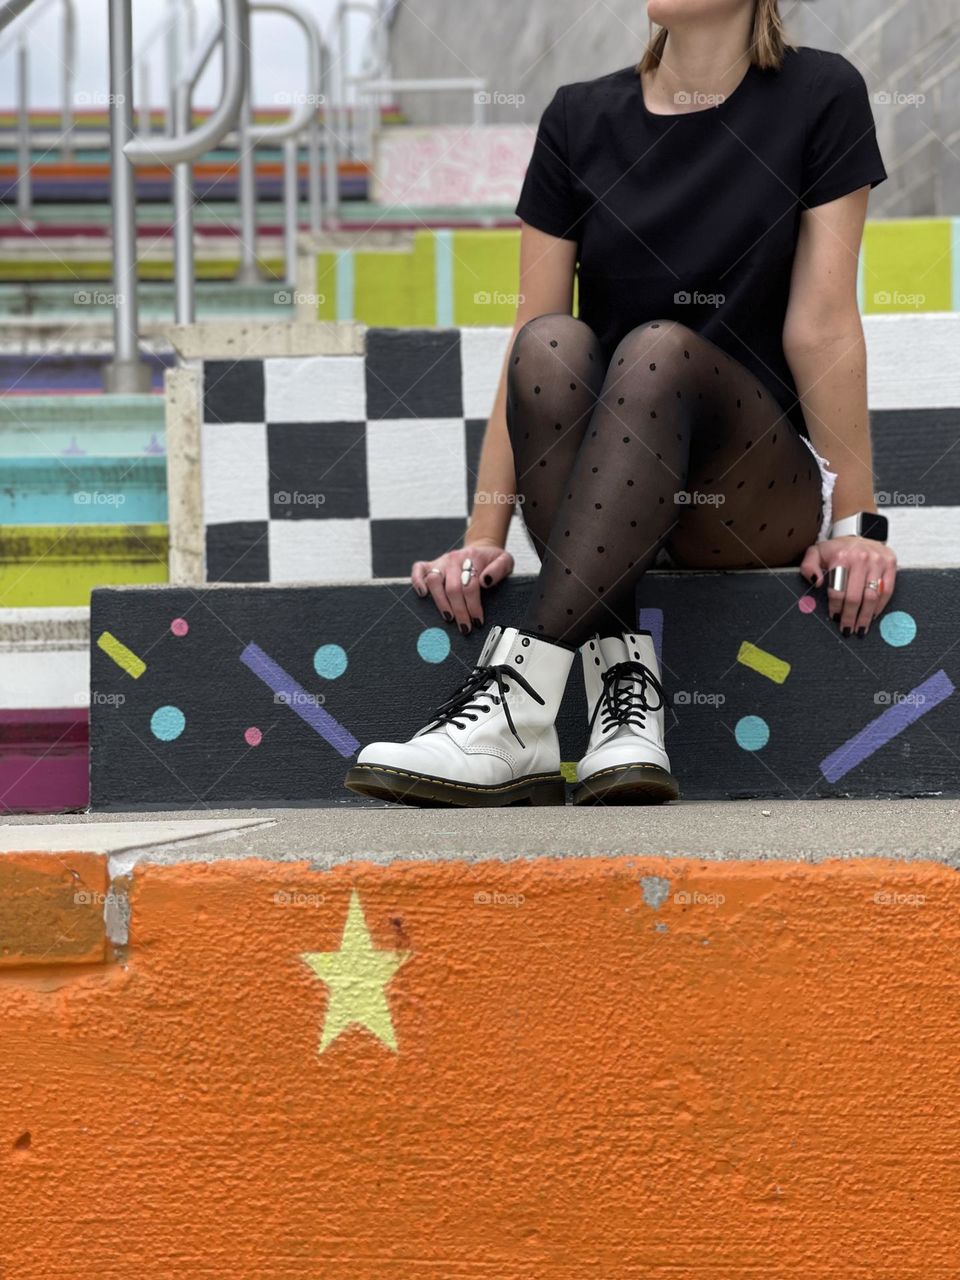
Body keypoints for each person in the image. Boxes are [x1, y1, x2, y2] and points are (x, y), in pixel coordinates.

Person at [345, 0, 895, 809]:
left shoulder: (821, 93)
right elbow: (525, 343)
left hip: (748, 490)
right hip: (605, 488)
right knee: (550, 344)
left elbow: (822, 324)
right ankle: (623, 699)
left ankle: (516, 700)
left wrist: (856, 525)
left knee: (656, 350)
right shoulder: (578, 117)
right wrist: (482, 534)